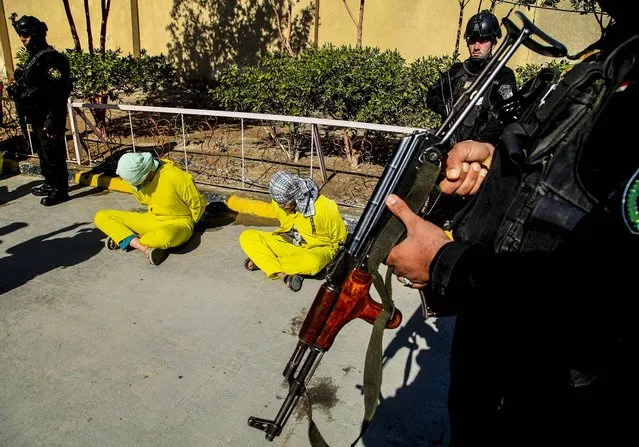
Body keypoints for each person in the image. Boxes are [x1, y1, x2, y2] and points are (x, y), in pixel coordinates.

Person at [384, 1, 637, 446]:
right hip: (497, 336)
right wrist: (496, 166)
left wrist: (446, 263)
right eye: (473, 38)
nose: (478, 44)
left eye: (484, 38)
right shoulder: (616, 54)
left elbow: (605, 288)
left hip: (557, 386)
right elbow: (559, 177)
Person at [239, 171, 348, 292]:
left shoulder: (326, 208)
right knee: (247, 236)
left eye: (284, 203)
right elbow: (282, 216)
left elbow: (339, 241)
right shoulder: (278, 202)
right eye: (278, 202)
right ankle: (281, 272)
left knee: (313, 263)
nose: (280, 206)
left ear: (296, 197)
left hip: (316, 249)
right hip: (286, 243)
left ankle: (265, 263)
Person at [94, 152, 207, 265]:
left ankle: (126, 237)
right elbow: (144, 201)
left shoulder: (175, 176)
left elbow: (198, 204)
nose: (135, 187)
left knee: (164, 237)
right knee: (101, 216)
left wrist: (192, 225)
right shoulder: (136, 183)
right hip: (152, 219)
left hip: (179, 222)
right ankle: (141, 246)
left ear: (146, 173)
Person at [6, 13, 73, 206]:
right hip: (36, 115)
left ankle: (60, 190)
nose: (23, 40)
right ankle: (49, 182)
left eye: (25, 36)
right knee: (43, 153)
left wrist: (53, 120)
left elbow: (59, 91)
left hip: (49, 115)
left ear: (35, 34)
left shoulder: (51, 59)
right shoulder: (35, 58)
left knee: (53, 153)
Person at [426, 10, 517, 145]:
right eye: (472, 41)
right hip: (450, 141)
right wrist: (446, 109)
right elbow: (432, 95)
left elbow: (507, 114)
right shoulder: (456, 72)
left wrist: (477, 143)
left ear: (493, 43)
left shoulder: (502, 74)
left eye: (482, 41)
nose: (476, 47)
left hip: (483, 149)